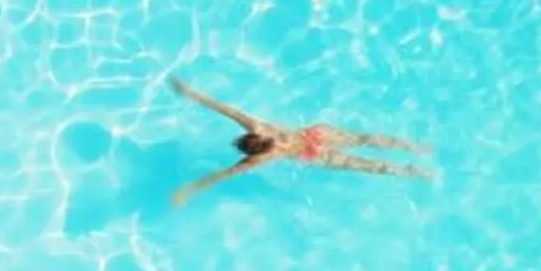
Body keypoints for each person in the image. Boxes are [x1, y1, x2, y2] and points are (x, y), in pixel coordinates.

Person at [166, 76, 431, 207]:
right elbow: (224, 109)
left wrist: (189, 190)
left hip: (310, 151)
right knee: (363, 142)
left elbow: (220, 175)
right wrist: (190, 93)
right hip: (313, 136)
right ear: (253, 137)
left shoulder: (254, 160)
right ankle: (416, 149)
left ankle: (411, 170)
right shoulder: (257, 128)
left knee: (361, 163)